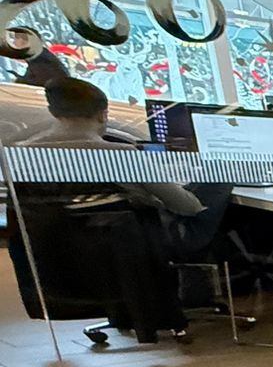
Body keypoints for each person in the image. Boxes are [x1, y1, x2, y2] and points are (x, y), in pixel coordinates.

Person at [18, 78, 223, 255]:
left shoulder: (22, 154)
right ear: (103, 115)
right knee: (220, 179)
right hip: (137, 247)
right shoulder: (119, 154)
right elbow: (187, 207)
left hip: (56, 253)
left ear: (52, 111)